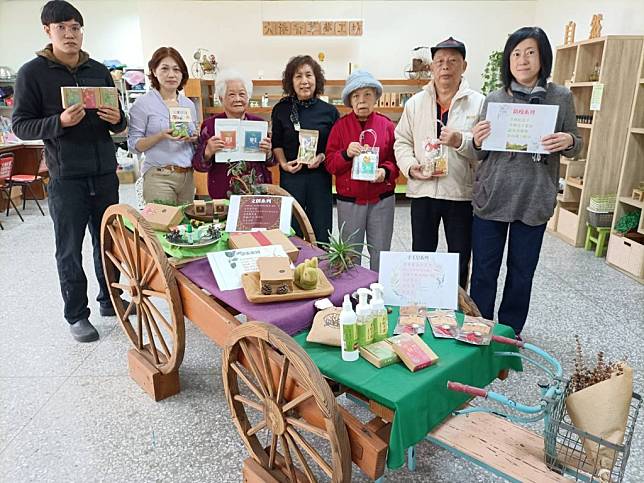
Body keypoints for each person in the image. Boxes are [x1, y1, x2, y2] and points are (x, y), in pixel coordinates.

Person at [11, 0, 126, 342]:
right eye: (61, 27)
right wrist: (57, 122)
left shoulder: (99, 71)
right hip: (66, 176)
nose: (70, 34)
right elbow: (21, 125)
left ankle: (111, 299)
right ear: (48, 31)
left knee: (108, 242)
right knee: (69, 248)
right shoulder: (32, 73)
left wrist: (118, 120)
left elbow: (121, 121)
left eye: (75, 27)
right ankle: (77, 315)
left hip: (104, 171)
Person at [469, 27, 582, 336]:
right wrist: (477, 141)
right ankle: (478, 328)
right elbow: (478, 153)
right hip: (493, 196)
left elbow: (578, 143)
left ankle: (508, 331)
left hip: (533, 197)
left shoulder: (561, 97)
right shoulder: (494, 98)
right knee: (483, 270)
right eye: (516, 53)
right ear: (508, 60)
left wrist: (568, 139)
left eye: (530, 52)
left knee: (522, 272)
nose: (522, 60)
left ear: (542, 57)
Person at [394, 37, 484, 288]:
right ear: (431, 67)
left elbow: (484, 150)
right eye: (440, 61)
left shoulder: (479, 103)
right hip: (423, 191)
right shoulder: (415, 103)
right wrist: (411, 167)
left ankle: (458, 306)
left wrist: (460, 141)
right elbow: (401, 141)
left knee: (460, 255)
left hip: (460, 192)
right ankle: (422, 302)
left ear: (464, 66)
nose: (445, 66)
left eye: (452, 61)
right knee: (421, 254)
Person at [325, 70, 398, 271]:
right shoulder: (340, 127)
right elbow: (330, 163)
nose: (362, 100)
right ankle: (352, 295)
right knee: (349, 253)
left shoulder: (386, 125)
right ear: (350, 100)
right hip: (350, 201)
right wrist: (346, 154)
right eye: (356, 96)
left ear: (375, 96)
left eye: (367, 94)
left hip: (381, 199)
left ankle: (379, 294)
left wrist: (384, 171)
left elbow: (395, 159)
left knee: (381, 251)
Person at [271, 55, 340, 243]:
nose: (304, 81)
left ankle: (321, 266)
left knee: (321, 226)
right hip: (291, 177)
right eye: (298, 76)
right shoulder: (281, 109)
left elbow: (336, 146)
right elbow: (276, 143)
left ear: (316, 79)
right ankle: (293, 266)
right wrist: (284, 164)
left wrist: (322, 156)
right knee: (292, 227)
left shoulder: (329, 111)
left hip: (319, 177)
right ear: (290, 81)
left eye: (308, 75)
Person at [128, 47, 197, 205]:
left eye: (176, 69)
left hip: (187, 176)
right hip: (158, 175)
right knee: (162, 226)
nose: (171, 75)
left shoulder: (188, 104)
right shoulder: (143, 104)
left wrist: (194, 138)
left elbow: (193, 139)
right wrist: (160, 136)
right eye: (165, 69)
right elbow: (133, 145)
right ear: (154, 70)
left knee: (185, 226)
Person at [192, 69, 273, 198]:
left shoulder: (258, 123)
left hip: (256, 190)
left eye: (242, 94)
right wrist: (207, 152)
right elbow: (198, 165)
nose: (238, 99)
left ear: (248, 96)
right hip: (222, 190)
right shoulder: (209, 125)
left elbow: (271, 162)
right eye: (231, 94)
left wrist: (268, 152)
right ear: (220, 98)